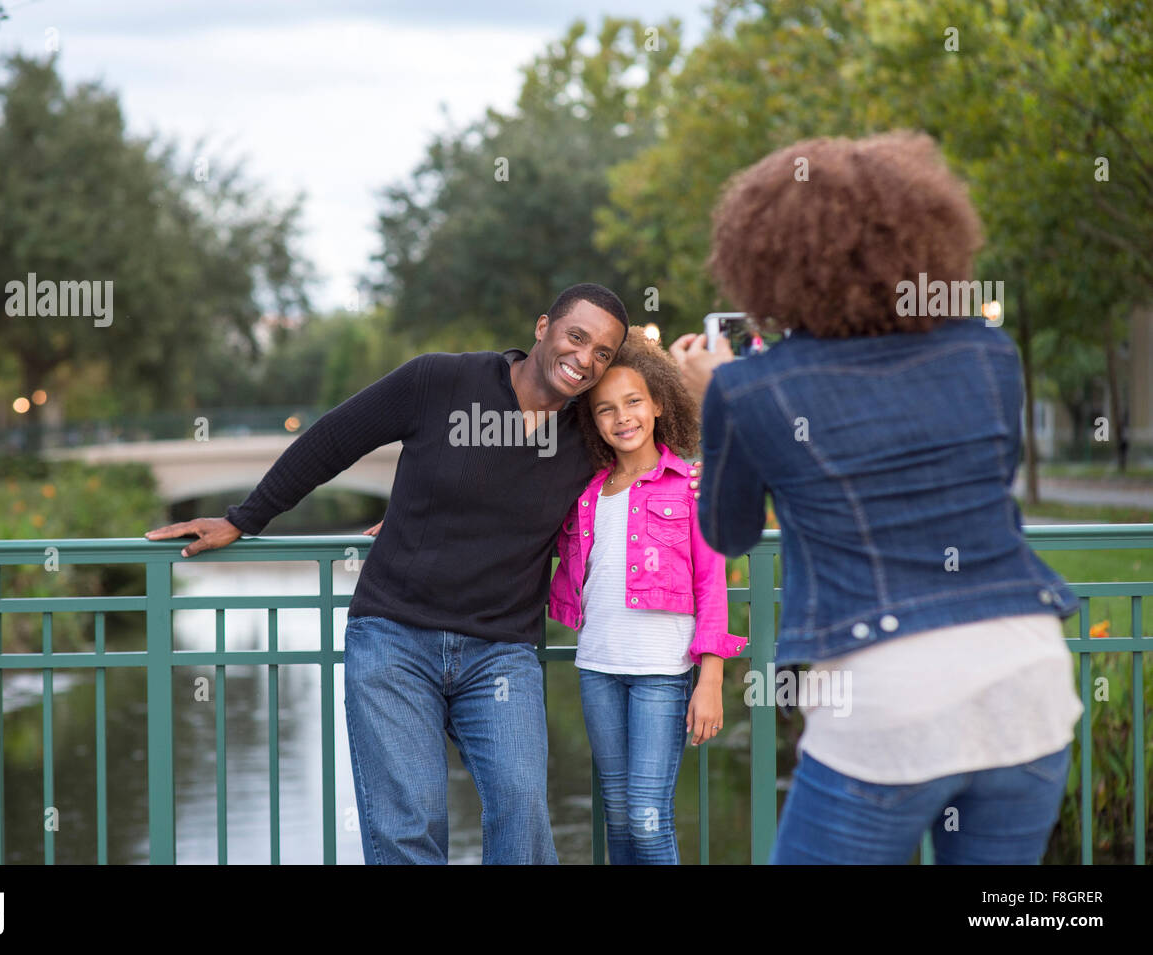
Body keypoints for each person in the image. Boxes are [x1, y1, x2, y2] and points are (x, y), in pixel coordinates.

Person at [147, 283, 702, 864]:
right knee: (407, 827)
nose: (585, 359)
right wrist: (244, 518)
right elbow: (335, 439)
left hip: (501, 651)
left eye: (604, 353)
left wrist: (700, 477)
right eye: (577, 337)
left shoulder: (585, 432)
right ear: (543, 328)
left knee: (522, 813)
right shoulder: (440, 381)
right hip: (394, 638)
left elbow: (648, 467)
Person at [669, 131, 1082, 865]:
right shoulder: (989, 352)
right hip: (1030, 673)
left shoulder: (750, 386)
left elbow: (728, 532)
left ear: (763, 263)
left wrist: (717, 405)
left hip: (888, 696)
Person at [548, 327, 746, 864]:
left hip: (663, 670)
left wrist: (711, 678)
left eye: (633, 401)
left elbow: (712, 585)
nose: (622, 417)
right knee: (616, 813)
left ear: (658, 403)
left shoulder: (690, 485)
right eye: (606, 409)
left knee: (646, 816)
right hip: (598, 668)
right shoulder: (587, 494)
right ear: (593, 421)